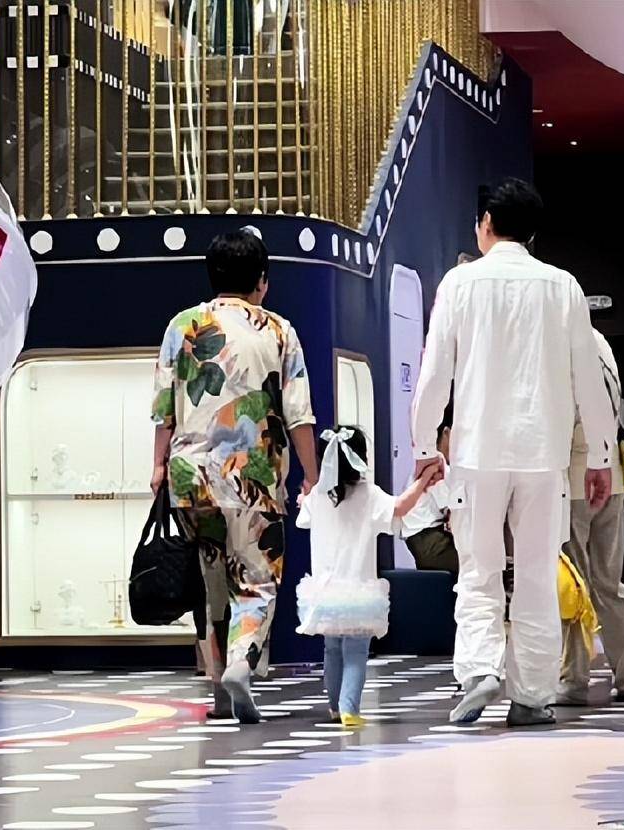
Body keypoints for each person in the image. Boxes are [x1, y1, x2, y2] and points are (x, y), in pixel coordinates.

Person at [411, 177, 616, 728]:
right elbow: (588, 379)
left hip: (476, 452)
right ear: (533, 232)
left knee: (478, 570)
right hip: (544, 454)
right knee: (536, 575)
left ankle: (480, 669)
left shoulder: (459, 284)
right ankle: (531, 696)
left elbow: (435, 372)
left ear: (484, 224)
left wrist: (425, 446)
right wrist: (600, 456)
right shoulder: (563, 286)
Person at [150, 229, 319, 724]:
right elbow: (299, 414)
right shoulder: (280, 332)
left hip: (190, 477)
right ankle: (242, 665)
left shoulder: (183, 325)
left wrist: (157, 466)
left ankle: (219, 690)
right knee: (258, 581)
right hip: (254, 479)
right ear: (262, 280)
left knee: (208, 587)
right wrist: (310, 475)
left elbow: (164, 408)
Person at [295, 427, 435, 727]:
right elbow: (400, 507)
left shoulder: (319, 495)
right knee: (356, 652)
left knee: (332, 650)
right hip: (358, 592)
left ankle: (334, 707)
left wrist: (304, 496)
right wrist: (423, 481)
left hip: (324, 592)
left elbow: (303, 517)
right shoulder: (368, 494)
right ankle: (349, 708)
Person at [557, 329, 624, 706]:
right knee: (609, 584)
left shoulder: (561, 346)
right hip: (613, 478)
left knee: (575, 583)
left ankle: (573, 679)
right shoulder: (601, 343)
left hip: (576, 481)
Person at [402, 406, 459, 576]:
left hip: (424, 536)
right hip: (427, 539)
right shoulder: (436, 464)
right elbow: (455, 507)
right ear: (447, 433)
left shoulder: (431, 462)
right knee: (478, 564)